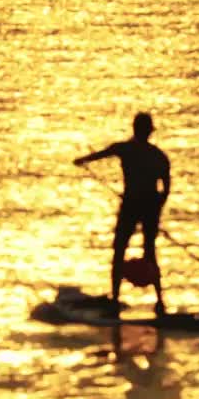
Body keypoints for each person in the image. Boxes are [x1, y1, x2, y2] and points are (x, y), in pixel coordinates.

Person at [73, 112, 171, 316]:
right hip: (148, 208)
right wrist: (157, 207)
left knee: (121, 251)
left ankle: (116, 301)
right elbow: (166, 188)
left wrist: (82, 160)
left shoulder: (128, 149)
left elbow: (102, 154)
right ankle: (159, 303)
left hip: (132, 207)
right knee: (149, 252)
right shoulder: (157, 155)